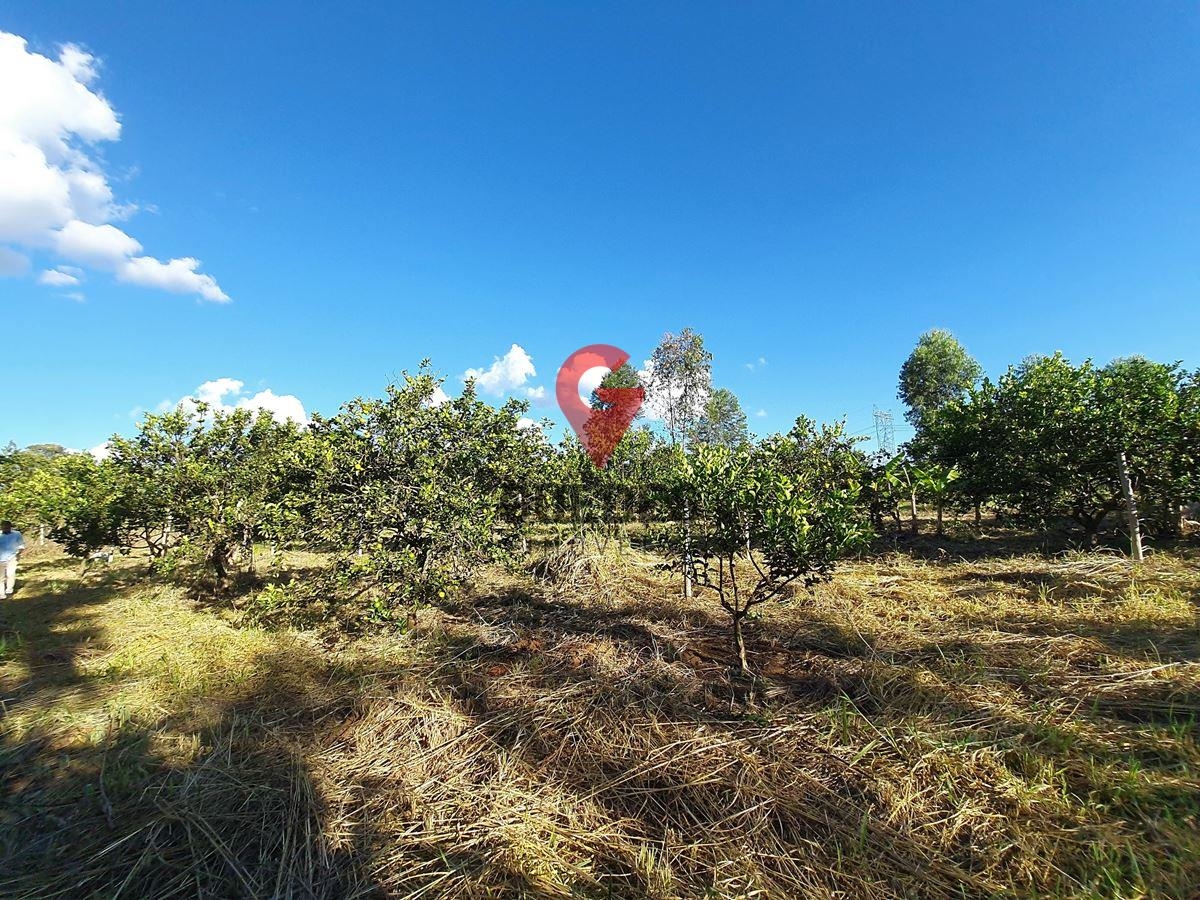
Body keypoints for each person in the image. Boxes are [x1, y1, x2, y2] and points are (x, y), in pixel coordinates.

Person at [0, 521, 26, 599]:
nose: (5, 529)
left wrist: (18, 554)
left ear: (10, 527)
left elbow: (21, 545)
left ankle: (9, 590)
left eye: (7, 527)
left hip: (12, 557)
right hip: (0, 559)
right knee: (1, 577)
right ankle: (1, 594)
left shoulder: (16, 534)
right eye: (3, 527)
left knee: (10, 574)